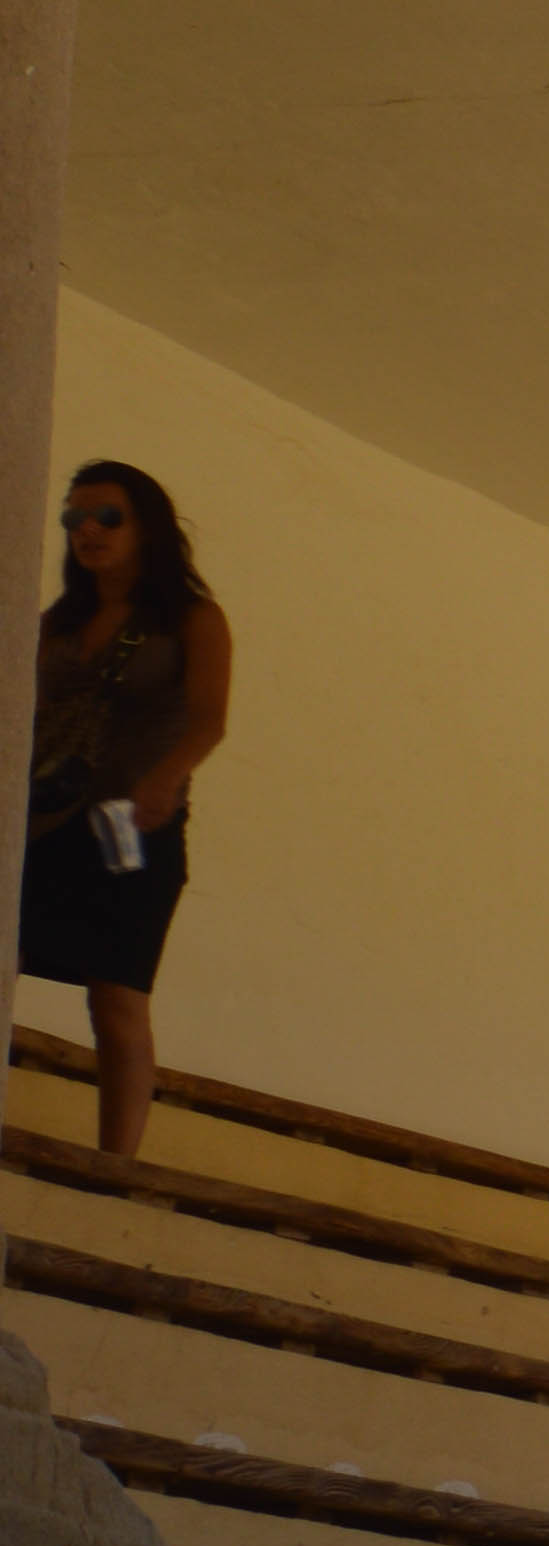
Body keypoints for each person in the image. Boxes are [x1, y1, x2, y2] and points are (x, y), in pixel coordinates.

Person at [27, 463, 232, 1154]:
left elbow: (208, 719)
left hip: (132, 831)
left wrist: (166, 779)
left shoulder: (193, 619)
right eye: (74, 518)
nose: (87, 530)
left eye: (106, 516)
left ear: (146, 526)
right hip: (41, 820)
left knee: (116, 998)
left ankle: (116, 1167)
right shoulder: (58, 621)